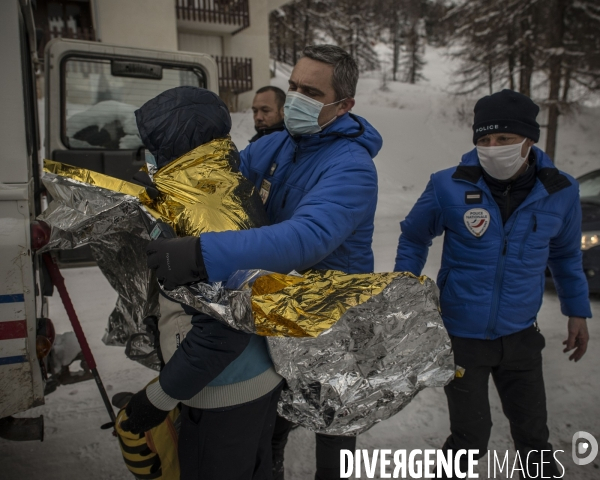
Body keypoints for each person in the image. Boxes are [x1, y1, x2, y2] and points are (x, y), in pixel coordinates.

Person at [125, 45, 382, 480]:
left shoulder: (351, 166)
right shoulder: (279, 144)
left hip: (327, 322)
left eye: (311, 92)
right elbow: (224, 180)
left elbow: (308, 237)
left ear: (344, 105)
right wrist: (171, 180)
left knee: (334, 432)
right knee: (271, 428)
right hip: (275, 313)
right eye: (293, 87)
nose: (296, 98)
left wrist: (201, 253)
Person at [394, 89, 592, 479]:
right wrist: (407, 290)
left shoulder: (561, 191)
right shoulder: (447, 185)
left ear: (528, 140)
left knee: (534, 438)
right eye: (483, 140)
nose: (492, 148)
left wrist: (577, 311)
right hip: (462, 337)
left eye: (503, 139)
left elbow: (567, 255)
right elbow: (414, 236)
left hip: (520, 334)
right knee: (470, 439)